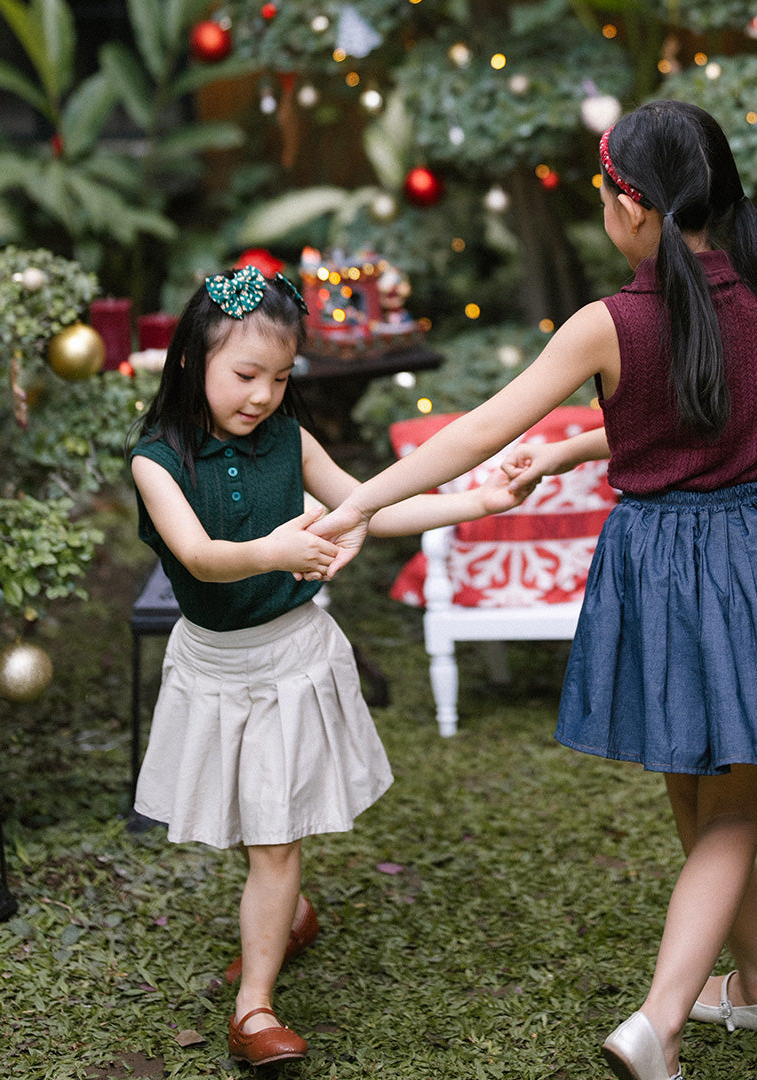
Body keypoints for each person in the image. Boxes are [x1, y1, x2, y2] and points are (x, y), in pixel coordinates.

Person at [310, 100, 757, 1080]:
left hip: (659, 566)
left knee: (707, 800)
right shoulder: (756, 296)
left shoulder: (608, 324)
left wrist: (359, 502)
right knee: (730, 803)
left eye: (604, 189)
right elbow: (698, 409)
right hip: (748, 558)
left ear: (633, 206)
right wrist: (576, 445)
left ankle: (661, 1018)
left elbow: (473, 432)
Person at [128, 265, 534, 1067]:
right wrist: (274, 548)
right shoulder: (157, 461)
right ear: (188, 363)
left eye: (280, 378)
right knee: (254, 821)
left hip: (291, 658)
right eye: (245, 375)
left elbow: (368, 506)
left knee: (274, 835)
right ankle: (290, 913)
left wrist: (478, 501)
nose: (263, 396)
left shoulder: (288, 436)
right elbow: (202, 558)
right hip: (214, 665)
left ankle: (253, 1008)